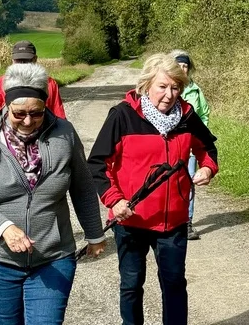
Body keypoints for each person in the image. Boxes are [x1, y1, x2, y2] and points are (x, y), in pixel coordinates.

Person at [0, 62, 107, 324]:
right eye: (19, 114)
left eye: (36, 113)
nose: (28, 121)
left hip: (53, 257)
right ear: (6, 106)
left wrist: (95, 234)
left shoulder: (65, 134)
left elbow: (83, 187)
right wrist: (4, 227)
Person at [88, 53, 219, 325]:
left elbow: (208, 148)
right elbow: (98, 164)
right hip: (130, 219)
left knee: (173, 284)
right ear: (146, 84)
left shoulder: (186, 116)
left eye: (176, 87)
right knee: (132, 285)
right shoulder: (122, 116)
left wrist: (207, 168)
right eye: (163, 86)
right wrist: (114, 201)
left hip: (172, 222)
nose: (170, 95)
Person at [169, 50, 210, 240]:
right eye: (180, 65)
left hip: (190, 147)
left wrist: (199, 139)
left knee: (189, 183)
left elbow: (203, 115)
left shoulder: (195, 90)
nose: (183, 69)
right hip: (169, 145)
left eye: (186, 66)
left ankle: (187, 222)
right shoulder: (165, 88)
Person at [0, 40, 66, 121]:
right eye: (19, 60)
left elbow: (58, 115)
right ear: (12, 60)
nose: (22, 64)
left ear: (35, 59)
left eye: (26, 60)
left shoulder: (49, 83)